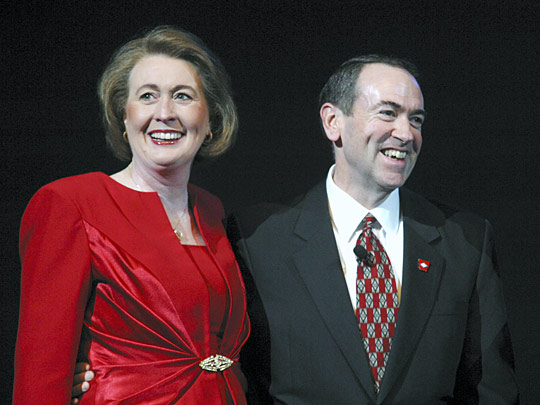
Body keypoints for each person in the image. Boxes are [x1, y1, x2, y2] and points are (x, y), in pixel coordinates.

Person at [229, 56, 519, 403]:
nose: (406, 133)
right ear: (333, 121)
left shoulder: (466, 241)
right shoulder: (257, 239)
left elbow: (493, 391)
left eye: (416, 119)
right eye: (387, 113)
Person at [14, 26, 250, 404]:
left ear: (210, 122)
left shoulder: (212, 211)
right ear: (124, 117)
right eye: (147, 96)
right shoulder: (71, 203)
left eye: (183, 97)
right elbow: (40, 375)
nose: (164, 113)